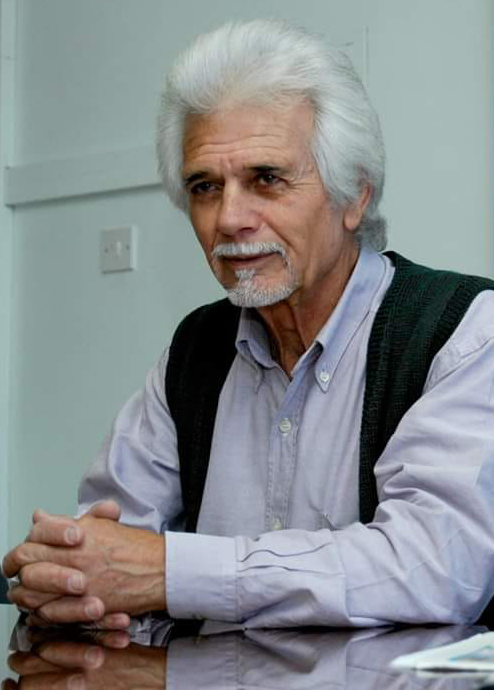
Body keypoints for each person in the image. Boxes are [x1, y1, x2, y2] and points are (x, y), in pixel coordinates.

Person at [3, 18, 494, 629]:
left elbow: (436, 566)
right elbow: (110, 545)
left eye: (266, 178)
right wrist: (66, 572)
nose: (230, 218)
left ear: (354, 196)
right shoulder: (195, 351)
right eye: (205, 187)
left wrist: (170, 572)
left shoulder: (463, 332)